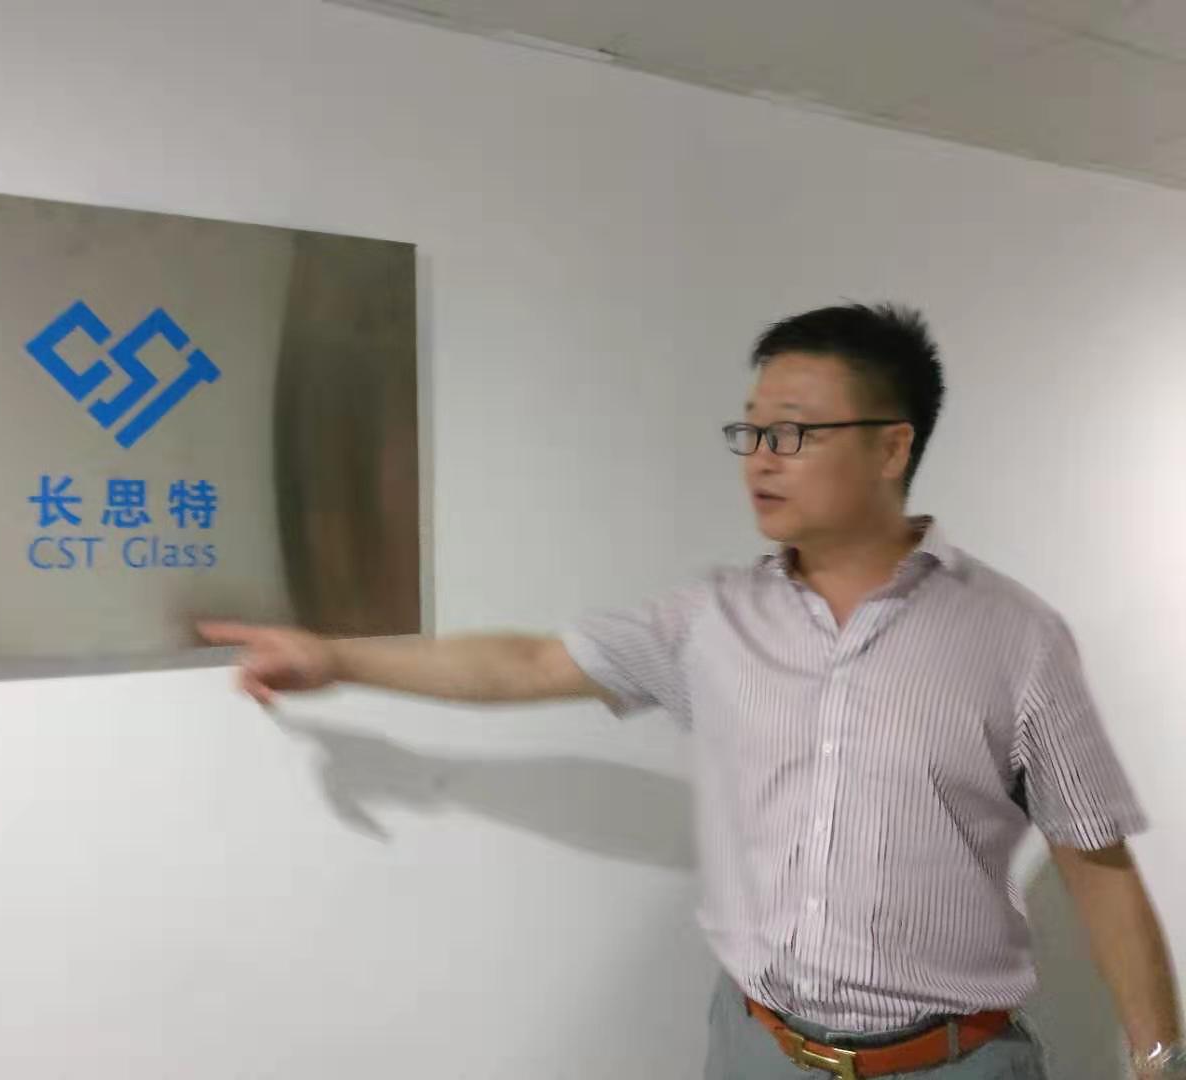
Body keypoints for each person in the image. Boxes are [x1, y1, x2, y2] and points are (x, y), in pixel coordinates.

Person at [198, 304, 1183, 1079]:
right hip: (755, 1050)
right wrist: (338, 659)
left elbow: (1093, 859)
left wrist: (1158, 1058)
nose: (759, 458)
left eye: (792, 432)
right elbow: (531, 662)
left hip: (951, 1063)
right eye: (749, 431)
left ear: (891, 448)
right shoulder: (712, 619)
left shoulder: (1014, 635)